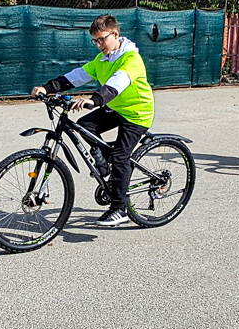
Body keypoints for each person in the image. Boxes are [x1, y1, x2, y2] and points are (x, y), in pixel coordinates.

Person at [31, 14, 154, 228]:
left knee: (120, 157)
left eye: (102, 39)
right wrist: (47, 88)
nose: (99, 45)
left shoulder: (131, 59)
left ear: (115, 34)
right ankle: (106, 162)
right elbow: (76, 76)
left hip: (137, 114)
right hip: (115, 109)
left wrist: (93, 100)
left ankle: (119, 209)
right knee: (85, 126)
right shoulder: (102, 61)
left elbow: (116, 84)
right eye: (95, 41)